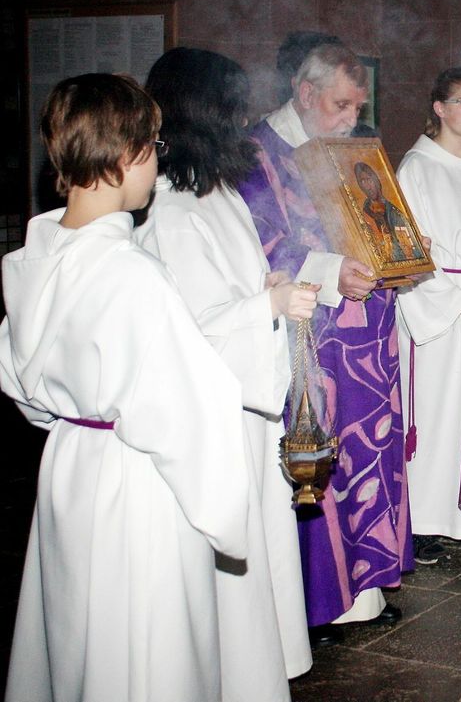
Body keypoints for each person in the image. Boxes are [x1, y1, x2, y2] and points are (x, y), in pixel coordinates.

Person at [2, 73, 248, 701]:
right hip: (135, 478)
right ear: (122, 156)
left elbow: (22, 385)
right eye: (152, 148)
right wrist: (224, 512)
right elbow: (187, 412)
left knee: (78, 633)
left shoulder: (36, 258)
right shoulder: (131, 273)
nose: (156, 165)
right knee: (144, 647)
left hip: (69, 463)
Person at [137, 47, 316, 697]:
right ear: (208, 113)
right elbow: (191, 330)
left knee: (258, 547)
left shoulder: (211, 193)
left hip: (247, 408)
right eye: (234, 110)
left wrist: (263, 288)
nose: (246, 123)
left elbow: (227, 293)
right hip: (218, 414)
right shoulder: (174, 211)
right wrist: (263, 304)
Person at [238, 42, 411, 647]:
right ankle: (321, 597)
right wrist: (330, 267)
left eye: (357, 104)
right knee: (322, 457)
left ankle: (364, 588)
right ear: (305, 94)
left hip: (367, 337)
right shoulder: (258, 153)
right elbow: (255, 244)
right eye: (340, 104)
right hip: (311, 337)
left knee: (371, 456)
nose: (349, 118)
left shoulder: (352, 147)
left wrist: (402, 244)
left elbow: (377, 215)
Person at [395, 67, 461, 564]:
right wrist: (460, 304)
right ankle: (428, 520)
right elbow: (408, 255)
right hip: (443, 305)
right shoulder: (416, 169)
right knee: (441, 413)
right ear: (438, 108)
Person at [275, 30, 379, 138]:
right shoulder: (264, 147)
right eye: (341, 105)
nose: (353, 123)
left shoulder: (364, 137)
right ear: (306, 95)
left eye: (358, 108)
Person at [353, 160, 419, 262]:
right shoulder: (363, 215)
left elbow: (412, 251)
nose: (367, 187)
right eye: (362, 182)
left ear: (377, 180)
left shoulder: (395, 214)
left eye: (369, 180)